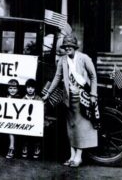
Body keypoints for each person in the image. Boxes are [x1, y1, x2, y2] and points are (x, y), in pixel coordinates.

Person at [42, 34, 98, 167]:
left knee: (82, 128)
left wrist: (93, 95)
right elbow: (57, 77)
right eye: (65, 46)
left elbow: (93, 76)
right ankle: (72, 156)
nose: (68, 48)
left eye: (70, 46)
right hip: (69, 99)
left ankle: (79, 157)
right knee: (71, 128)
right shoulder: (62, 60)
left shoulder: (84, 58)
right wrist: (48, 93)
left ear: (75, 47)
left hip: (83, 97)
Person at [21, 79, 43, 159]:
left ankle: (37, 147)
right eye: (28, 87)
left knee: (38, 130)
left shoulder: (39, 99)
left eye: (32, 87)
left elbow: (42, 111)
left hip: (36, 121)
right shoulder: (23, 99)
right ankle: (25, 147)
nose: (30, 89)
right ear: (26, 88)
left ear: (35, 88)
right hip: (26, 121)